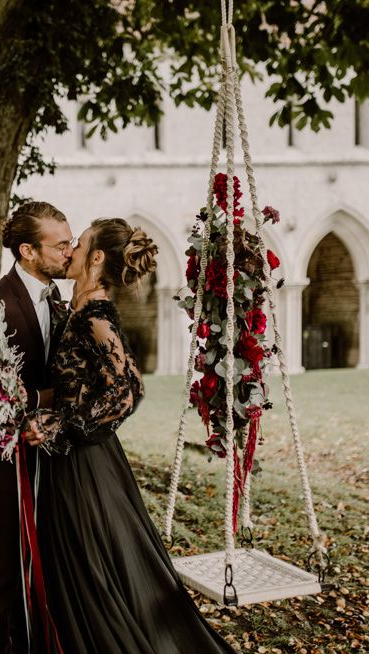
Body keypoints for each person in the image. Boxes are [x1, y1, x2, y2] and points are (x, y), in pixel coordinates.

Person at [27, 218, 236, 653]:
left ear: (97, 257)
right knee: (92, 564)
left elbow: (128, 390)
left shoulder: (94, 314)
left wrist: (60, 423)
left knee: (93, 567)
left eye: (78, 245)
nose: (70, 252)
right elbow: (88, 384)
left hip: (85, 463)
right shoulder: (82, 309)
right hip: (80, 457)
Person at [0, 201, 75, 654]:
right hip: (4, 465)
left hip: (49, 460)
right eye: (61, 245)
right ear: (28, 250)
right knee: (2, 573)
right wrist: (41, 402)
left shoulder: (57, 299)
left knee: (44, 567)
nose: (70, 252)